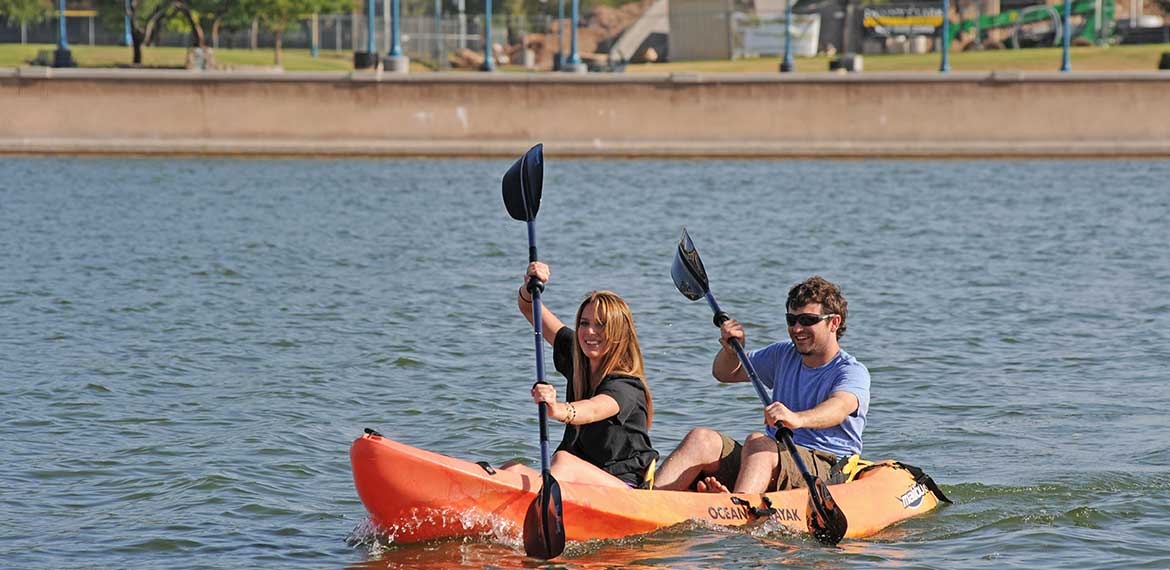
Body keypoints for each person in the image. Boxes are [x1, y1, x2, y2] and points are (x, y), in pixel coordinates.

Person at [654, 275, 870, 494]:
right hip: (774, 457)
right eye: (791, 320)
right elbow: (725, 373)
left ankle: (737, 510)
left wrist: (797, 418)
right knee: (701, 438)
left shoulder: (851, 371)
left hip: (825, 464)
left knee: (758, 442)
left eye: (807, 320)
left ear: (834, 322)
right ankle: (648, 500)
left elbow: (840, 407)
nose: (796, 328)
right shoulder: (783, 354)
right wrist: (731, 351)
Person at [501, 261, 659, 488]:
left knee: (564, 462)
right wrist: (530, 286)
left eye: (601, 325)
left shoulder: (626, 386)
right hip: (578, 485)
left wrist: (556, 408)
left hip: (625, 490)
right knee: (511, 469)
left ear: (618, 334)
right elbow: (530, 309)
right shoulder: (578, 355)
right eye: (584, 323)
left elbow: (593, 409)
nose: (589, 332)